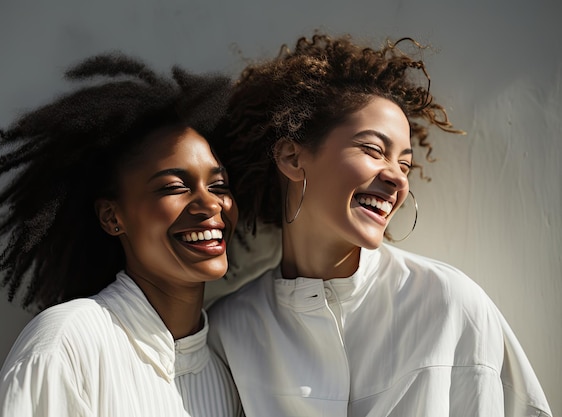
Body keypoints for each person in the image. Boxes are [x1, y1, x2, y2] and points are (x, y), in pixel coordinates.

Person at [208, 33, 552, 416]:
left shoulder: (449, 305)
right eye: (373, 150)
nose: (398, 178)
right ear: (291, 157)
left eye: (404, 164)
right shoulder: (229, 330)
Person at [0, 53, 242, 417]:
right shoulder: (68, 342)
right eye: (174, 186)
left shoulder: (228, 374)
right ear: (112, 217)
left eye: (219, 184)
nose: (210, 204)